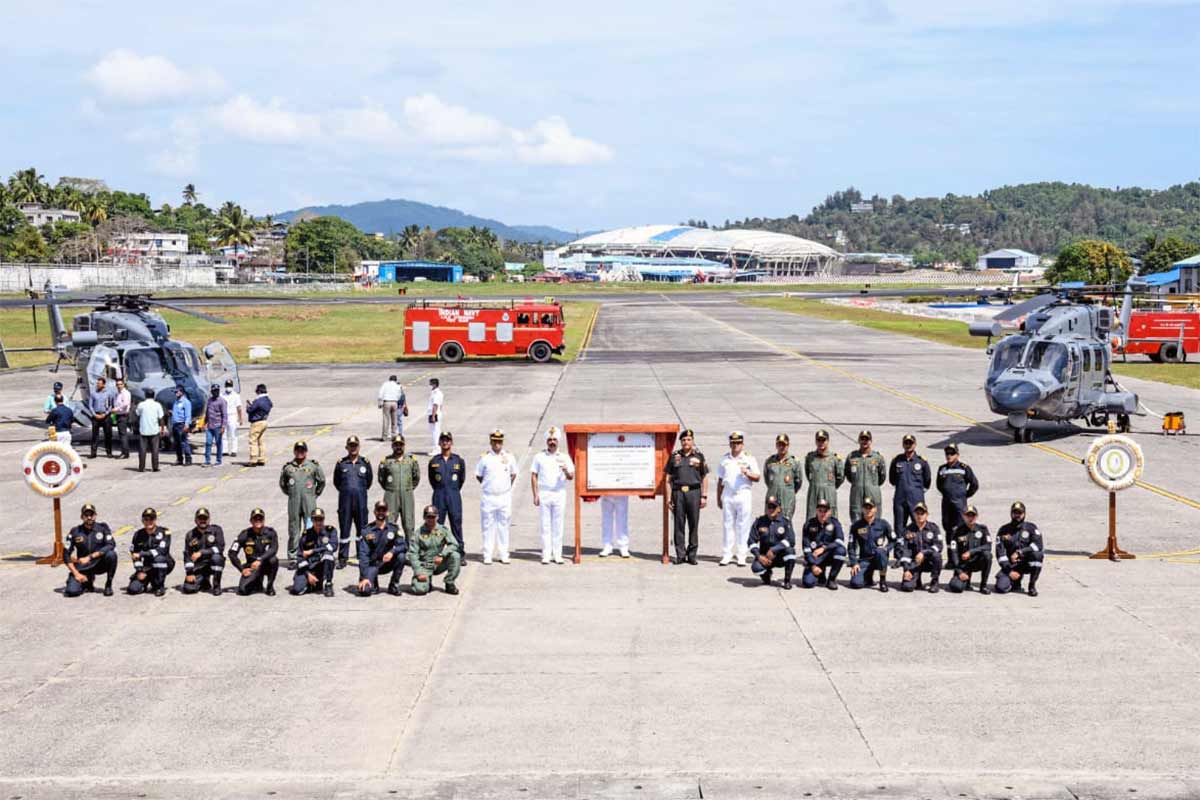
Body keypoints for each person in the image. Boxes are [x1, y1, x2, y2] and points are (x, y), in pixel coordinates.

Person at [531, 425, 575, 564]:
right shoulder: (539, 457)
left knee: (558, 525)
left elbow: (571, 476)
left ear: (558, 441)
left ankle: (557, 554)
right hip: (544, 493)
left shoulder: (564, 457)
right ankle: (546, 554)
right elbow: (534, 475)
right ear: (546, 441)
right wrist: (535, 495)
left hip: (559, 493)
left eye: (554, 439)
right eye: (549, 439)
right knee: (545, 525)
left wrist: (566, 471)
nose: (552, 442)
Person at [664, 428, 709, 565]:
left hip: (694, 493)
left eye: (688, 440)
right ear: (681, 442)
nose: (686, 442)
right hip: (678, 493)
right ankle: (680, 554)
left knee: (693, 524)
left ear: (693, 441)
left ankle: (692, 555)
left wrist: (704, 496)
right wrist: (668, 497)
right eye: (683, 440)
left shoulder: (699, 456)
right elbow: (668, 479)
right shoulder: (675, 456)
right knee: (679, 524)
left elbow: (704, 477)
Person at [716, 430, 760, 566]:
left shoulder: (749, 458)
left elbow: (757, 477)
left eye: (738, 443)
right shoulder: (724, 459)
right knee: (727, 524)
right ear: (730, 443)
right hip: (728, 494)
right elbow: (720, 480)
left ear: (742, 444)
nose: (735, 445)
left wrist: (748, 473)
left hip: (743, 493)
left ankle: (742, 554)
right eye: (733, 443)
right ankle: (727, 554)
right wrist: (719, 498)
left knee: (743, 525)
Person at [475, 428, 518, 564]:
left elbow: (513, 474)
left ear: (502, 442)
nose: (497, 444)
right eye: (494, 441)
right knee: (487, 526)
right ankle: (487, 554)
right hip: (489, 496)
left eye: (499, 441)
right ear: (491, 442)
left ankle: (503, 553)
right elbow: (478, 475)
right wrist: (489, 486)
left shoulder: (509, 457)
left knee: (503, 525)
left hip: (504, 496)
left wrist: (505, 487)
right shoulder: (485, 458)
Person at [280, 440, 326, 564]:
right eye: (298, 450)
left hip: (309, 502)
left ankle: (310, 553)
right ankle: (293, 557)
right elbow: (283, 484)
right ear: (294, 451)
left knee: (310, 528)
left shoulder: (312, 466)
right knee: (294, 529)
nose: (300, 452)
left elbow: (321, 481)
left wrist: (313, 494)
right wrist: (292, 494)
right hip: (294, 502)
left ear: (306, 452)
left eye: (302, 450)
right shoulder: (288, 468)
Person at [333, 435, 373, 569]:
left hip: (361, 502)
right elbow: (336, 482)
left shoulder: (365, 463)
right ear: (347, 448)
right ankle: (343, 558)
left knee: (362, 531)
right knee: (345, 530)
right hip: (345, 503)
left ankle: (361, 556)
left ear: (359, 447)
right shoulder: (341, 463)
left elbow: (369, 481)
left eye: (355, 445)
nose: (353, 448)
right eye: (351, 446)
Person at [63, 502, 117, 597]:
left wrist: (90, 557)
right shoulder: (75, 531)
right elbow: (66, 554)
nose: (89, 517)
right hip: (83, 566)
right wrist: (76, 574)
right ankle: (87, 582)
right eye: (86, 515)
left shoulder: (103, 528)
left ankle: (108, 584)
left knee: (111, 555)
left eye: (91, 514)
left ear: (95, 515)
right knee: (72, 591)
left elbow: (111, 544)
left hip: (99, 563)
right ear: (81, 517)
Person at [429, 432, 467, 561]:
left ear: (451, 443)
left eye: (448, 440)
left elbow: (461, 479)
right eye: (443, 440)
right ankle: (436, 553)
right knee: (437, 524)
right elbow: (432, 480)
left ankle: (459, 553)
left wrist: (453, 490)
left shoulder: (458, 460)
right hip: (439, 495)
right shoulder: (434, 461)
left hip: (454, 495)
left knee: (456, 523)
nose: (445, 443)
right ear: (439, 443)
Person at [356, 501, 406, 596]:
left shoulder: (393, 528)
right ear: (374, 512)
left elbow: (404, 545)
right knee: (364, 591)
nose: (381, 513)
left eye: (383, 510)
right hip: (373, 565)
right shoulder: (367, 531)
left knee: (401, 556)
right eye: (378, 510)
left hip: (387, 563)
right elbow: (363, 555)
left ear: (387, 512)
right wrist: (364, 576)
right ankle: (374, 583)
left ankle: (393, 585)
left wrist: (392, 551)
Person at [409, 504, 461, 596]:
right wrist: (418, 572)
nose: (431, 519)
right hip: (425, 565)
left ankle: (449, 583)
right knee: (419, 590)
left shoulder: (443, 530)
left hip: (439, 563)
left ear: (437, 517)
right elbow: (413, 554)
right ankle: (427, 582)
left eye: (433, 517)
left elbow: (454, 544)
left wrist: (442, 554)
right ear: (424, 517)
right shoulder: (418, 533)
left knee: (455, 556)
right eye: (428, 517)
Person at [994, 501, 1044, 596]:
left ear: (1024, 514)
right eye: (1015, 512)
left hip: (1027, 562)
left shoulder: (1031, 528)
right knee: (1001, 588)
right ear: (1011, 513)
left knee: (1038, 555)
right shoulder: (1003, 530)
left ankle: (1032, 586)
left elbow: (1038, 545)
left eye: (1020, 513)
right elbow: (1000, 554)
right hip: (1011, 565)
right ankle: (1015, 582)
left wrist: (1020, 552)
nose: (1017, 515)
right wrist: (1009, 571)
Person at [936, 442, 979, 548]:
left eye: (952, 453)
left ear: (957, 455)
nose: (949, 456)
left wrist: (964, 495)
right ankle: (951, 557)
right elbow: (939, 485)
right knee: (948, 528)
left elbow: (974, 484)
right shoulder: (942, 469)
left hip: (959, 505)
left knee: (961, 529)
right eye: (947, 453)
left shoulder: (964, 468)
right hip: (946, 504)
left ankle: (961, 555)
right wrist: (947, 494)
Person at [748, 495, 797, 589]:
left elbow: (791, 540)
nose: (771, 510)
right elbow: (751, 541)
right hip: (765, 557)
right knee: (756, 568)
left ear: (779, 509)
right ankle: (766, 575)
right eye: (769, 507)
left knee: (791, 552)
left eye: (773, 507)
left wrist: (774, 550)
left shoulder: (785, 522)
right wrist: (759, 556)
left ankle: (787, 581)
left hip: (780, 556)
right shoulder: (759, 521)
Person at [228, 507, 279, 596]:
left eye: (260, 518)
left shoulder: (270, 533)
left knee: (274, 560)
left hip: (265, 563)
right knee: (243, 591)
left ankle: (270, 586)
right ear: (251, 521)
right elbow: (232, 553)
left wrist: (260, 560)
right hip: (252, 566)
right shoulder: (244, 534)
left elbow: (273, 549)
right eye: (255, 518)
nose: (258, 520)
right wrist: (242, 569)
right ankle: (257, 582)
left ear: (264, 520)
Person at [847, 497, 894, 591]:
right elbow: (851, 546)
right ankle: (868, 576)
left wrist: (886, 549)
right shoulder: (856, 526)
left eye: (870, 507)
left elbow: (894, 540)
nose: (868, 510)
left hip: (879, 558)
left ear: (875, 509)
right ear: (862, 509)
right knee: (856, 583)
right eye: (866, 507)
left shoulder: (883, 524)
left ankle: (882, 581)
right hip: (864, 559)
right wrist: (854, 563)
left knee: (880, 552)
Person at [378, 434, 421, 540]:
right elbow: (381, 478)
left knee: (409, 524)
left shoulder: (411, 460)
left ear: (404, 445)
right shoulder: (386, 461)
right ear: (392, 446)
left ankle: (410, 550)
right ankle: (389, 549)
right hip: (391, 494)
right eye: (396, 445)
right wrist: (391, 488)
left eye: (400, 445)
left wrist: (408, 488)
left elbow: (416, 477)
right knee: (389, 523)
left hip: (407, 494)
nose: (398, 447)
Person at [889, 433, 931, 535]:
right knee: (899, 527)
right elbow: (892, 479)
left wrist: (917, 491)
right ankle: (900, 549)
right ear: (903, 445)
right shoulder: (897, 460)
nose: (908, 445)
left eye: (910, 443)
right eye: (906, 443)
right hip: (900, 499)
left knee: (918, 525)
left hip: (916, 500)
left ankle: (918, 548)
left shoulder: (921, 462)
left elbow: (927, 480)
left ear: (915, 444)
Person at [127, 507, 174, 597]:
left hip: (164, 562)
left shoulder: (165, 532)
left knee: (159, 559)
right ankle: (146, 583)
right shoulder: (138, 535)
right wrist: (140, 571)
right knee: (133, 589)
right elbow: (134, 555)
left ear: (155, 519)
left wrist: (141, 554)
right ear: (142, 520)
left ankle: (160, 586)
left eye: (151, 519)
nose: (149, 522)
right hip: (148, 566)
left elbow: (161, 551)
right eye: (146, 519)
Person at [801, 497, 846, 589]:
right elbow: (806, 548)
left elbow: (840, 540)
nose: (822, 513)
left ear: (829, 512)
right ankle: (821, 575)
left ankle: (831, 580)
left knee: (841, 551)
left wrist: (824, 548)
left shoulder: (835, 523)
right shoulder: (809, 524)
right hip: (815, 558)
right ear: (816, 511)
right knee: (808, 583)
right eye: (820, 510)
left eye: (825, 511)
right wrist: (813, 565)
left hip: (829, 555)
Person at [897, 502, 942, 593]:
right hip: (915, 563)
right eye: (917, 513)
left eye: (922, 513)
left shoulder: (933, 528)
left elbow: (939, 546)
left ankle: (934, 581)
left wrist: (924, 552)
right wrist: (906, 569)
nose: (920, 516)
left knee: (937, 556)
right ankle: (917, 580)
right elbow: (904, 550)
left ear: (927, 514)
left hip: (929, 561)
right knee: (907, 587)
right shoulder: (908, 530)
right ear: (914, 514)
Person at [844, 430, 887, 524]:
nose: (864, 441)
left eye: (867, 439)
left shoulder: (877, 458)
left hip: (873, 492)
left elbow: (882, 477)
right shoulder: (852, 457)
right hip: (856, 493)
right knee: (856, 517)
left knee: (875, 519)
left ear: (870, 441)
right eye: (862, 439)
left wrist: (871, 485)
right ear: (858, 440)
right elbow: (848, 475)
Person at [947, 505, 992, 594]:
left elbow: (988, 546)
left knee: (988, 555)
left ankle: (983, 585)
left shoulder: (982, 529)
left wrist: (971, 552)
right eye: (968, 516)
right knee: (956, 587)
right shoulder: (957, 531)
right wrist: (959, 572)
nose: (970, 518)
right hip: (963, 565)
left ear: (977, 516)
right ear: (964, 516)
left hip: (977, 562)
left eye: (973, 515)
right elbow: (954, 552)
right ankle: (966, 580)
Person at [292, 508, 337, 597]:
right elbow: (300, 556)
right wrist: (308, 574)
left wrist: (313, 551)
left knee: (328, 555)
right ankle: (313, 584)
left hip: (322, 565)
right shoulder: (306, 535)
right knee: (297, 590)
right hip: (309, 567)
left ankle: (328, 584)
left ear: (324, 519)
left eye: (320, 519)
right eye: (316, 519)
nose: (318, 522)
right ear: (312, 520)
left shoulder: (330, 531)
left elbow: (333, 547)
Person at [180, 507, 225, 596]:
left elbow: (220, 548)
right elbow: (187, 555)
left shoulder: (216, 530)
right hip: (199, 566)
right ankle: (204, 580)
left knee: (217, 558)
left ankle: (216, 586)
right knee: (188, 589)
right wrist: (189, 573)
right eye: (200, 518)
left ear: (209, 519)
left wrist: (202, 552)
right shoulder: (190, 535)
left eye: (205, 518)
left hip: (212, 563)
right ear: (195, 520)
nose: (202, 521)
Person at [804, 429, 845, 520]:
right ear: (815, 441)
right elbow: (808, 474)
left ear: (828, 441)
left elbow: (840, 477)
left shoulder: (834, 459)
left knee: (830, 518)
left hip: (829, 492)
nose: (821, 443)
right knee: (812, 517)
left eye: (823, 440)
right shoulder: (810, 458)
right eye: (819, 440)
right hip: (814, 492)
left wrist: (830, 486)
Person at [762, 433, 801, 521]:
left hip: (787, 498)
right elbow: (767, 480)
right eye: (779, 444)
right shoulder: (769, 461)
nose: (782, 447)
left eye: (784, 445)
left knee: (786, 522)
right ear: (776, 445)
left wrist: (788, 491)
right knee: (769, 522)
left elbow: (798, 481)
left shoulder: (794, 462)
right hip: (773, 496)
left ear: (788, 445)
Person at [134, 389, 165, 472]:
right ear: (154, 396)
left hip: (143, 430)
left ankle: (141, 467)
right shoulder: (157, 405)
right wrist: (162, 429)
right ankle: (155, 467)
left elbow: (137, 413)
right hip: (154, 430)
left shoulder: (141, 404)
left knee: (142, 450)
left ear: (145, 396)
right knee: (155, 450)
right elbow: (161, 418)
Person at [87, 376, 116, 458]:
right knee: (95, 435)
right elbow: (90, 405)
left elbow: (111, 405)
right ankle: (93, 453)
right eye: (97, 383)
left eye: (99, 384)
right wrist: (94, 414)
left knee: (108, 435)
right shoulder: (93, 393)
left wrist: (105, 414)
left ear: (104, 385)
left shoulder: (109, 393)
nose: (97, 385)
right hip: (96, 415)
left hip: (105, 416)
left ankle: (109, 452)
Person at [246, 383, 272, 466]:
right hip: (264, 421)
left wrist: (248, 406)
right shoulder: (267, 400)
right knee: (261, 441)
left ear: (259, 391)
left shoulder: (258, 400)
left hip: (257, 422)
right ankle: (262, 458)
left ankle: (253, 459)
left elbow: (250, 410)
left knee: (252, 440)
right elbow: (271, 405)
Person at [203, 384, 228, 467]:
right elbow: (207, 412)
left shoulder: (222, 401)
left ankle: (218, 460)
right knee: (208, 443)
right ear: (211, 391)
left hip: (218, 426)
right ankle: (207, 461)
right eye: (214, 391)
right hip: (209, 426)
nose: (216, 392)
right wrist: (204, 423)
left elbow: (224, 415)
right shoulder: (209, 400)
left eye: (217, 391)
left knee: (218, 443)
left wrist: (223, 426)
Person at [378, 374, 407, 441]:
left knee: (386, 419)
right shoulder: (397, 385)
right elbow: (399, 395)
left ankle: (385, 436)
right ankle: (393, 435)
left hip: (387, 402)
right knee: (394, 420)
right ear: (395, 380)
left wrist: (380, 402)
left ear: (389, 379)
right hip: (394, 402)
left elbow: (380, 393)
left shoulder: (385, 384)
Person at [170, 386, 193, 466]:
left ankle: (188, 459)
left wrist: (186, 425)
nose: (175, 393)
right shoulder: (176, 402)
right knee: (177, 443)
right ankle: (179, 459)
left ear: (182, 392)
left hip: (182, 424)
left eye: (177, 392)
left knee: (184, 442)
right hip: (175, 424)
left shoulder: (186, 402)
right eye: (175, 392)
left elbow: (188, 415)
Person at [222, 380, 244, 458]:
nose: (228, 387)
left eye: (230, 385)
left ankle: (234, 450)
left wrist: (240, 418)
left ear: (232, 386)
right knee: (223, 434)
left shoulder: (236, 395)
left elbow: (239, 408)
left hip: (232, 416)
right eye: (227, 385)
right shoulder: (222, 395)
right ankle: (224, 450)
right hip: (224, 416)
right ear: (225, 386)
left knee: (233, 434)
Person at [112, 378, 132, 458]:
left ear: (123, 385)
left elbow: (125, 404)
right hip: (118, 415)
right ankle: (124, 451)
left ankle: (125, 453)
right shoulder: (118, 394)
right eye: (117, 385)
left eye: (120, 384)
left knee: (123, 434)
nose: (119, 386)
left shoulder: (125, 393)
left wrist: (116, 409)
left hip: (123, 415)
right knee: (121, 434)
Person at [426, 378, 444, 454]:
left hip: (434, 414)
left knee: (435, 432)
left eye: (431, 384)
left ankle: (436, 449)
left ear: (435, 384)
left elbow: (435, 405)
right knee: (435, 431)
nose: (430, 386)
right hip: (436, 413)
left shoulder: (436, 393)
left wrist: (433, 416)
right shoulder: (436, 393)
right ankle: (437, 448)